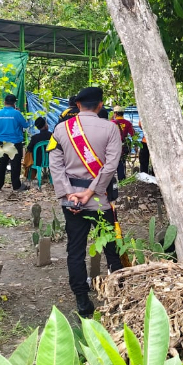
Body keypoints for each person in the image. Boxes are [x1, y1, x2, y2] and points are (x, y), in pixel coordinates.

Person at [47, 87, 124, 317]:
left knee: (75, 250)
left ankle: (82, 300)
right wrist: (92, 192)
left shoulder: (61, 129)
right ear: (100, 105)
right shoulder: (111, 128)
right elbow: (111, 165)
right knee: (111, 247)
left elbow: (55, 166)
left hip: (72, 203)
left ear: (78, 105)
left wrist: (69, 193)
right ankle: (117, 295)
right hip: (100, 199)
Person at [0, 94, 28, 192]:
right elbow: (25, 125)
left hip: (3, 142)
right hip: (15, 143)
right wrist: (18, 113)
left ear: (4, 102)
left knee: (1, 165)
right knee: (15, 165)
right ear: (14, 103)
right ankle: (16, 186)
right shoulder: (16, 113)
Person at [22, 117, 53, 187]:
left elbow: (29, 149)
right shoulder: (52, 136)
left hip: (37, 161)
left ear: (38, 128)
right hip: (51, 160)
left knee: (29, 153)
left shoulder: (35, 138)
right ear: (46, 125)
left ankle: (29, 176)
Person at [112, 106, 136, 181]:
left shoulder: (111, 123)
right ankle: (122, 181)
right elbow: (133, 135)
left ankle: (111, 182)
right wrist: (135, 146)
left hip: (112, 147)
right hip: (122, 147)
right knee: (121, 163)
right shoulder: (128, 123)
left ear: (115, 114)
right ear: (123, 113)